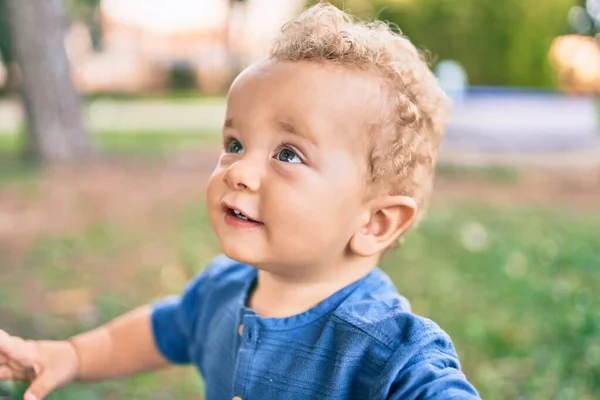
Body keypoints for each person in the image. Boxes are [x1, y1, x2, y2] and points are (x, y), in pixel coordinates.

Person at [0, 3, 480, 399]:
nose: (239, 172)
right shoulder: (223, 289)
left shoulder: (390, 351)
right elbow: (164, 329)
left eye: (288, 154)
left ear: (375, 222)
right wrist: (73, 355)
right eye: (234, 144)